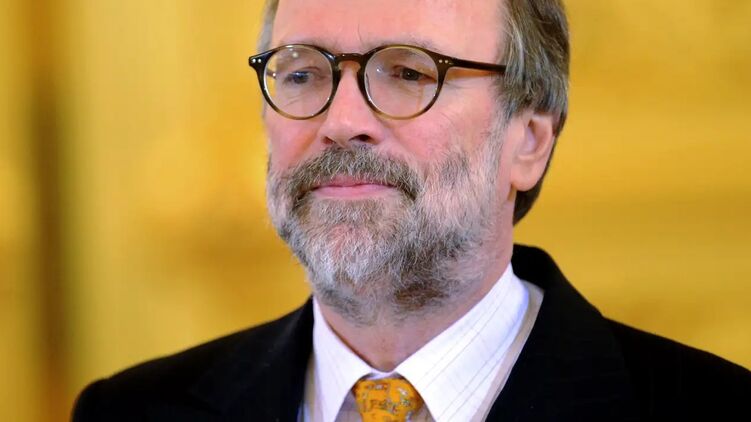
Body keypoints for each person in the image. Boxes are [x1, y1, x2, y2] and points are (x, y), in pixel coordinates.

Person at [73, 0, 750, 420]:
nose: (341, 122)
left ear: (528, 140)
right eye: (302, 73)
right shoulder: (128, 412)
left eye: (408, 72)